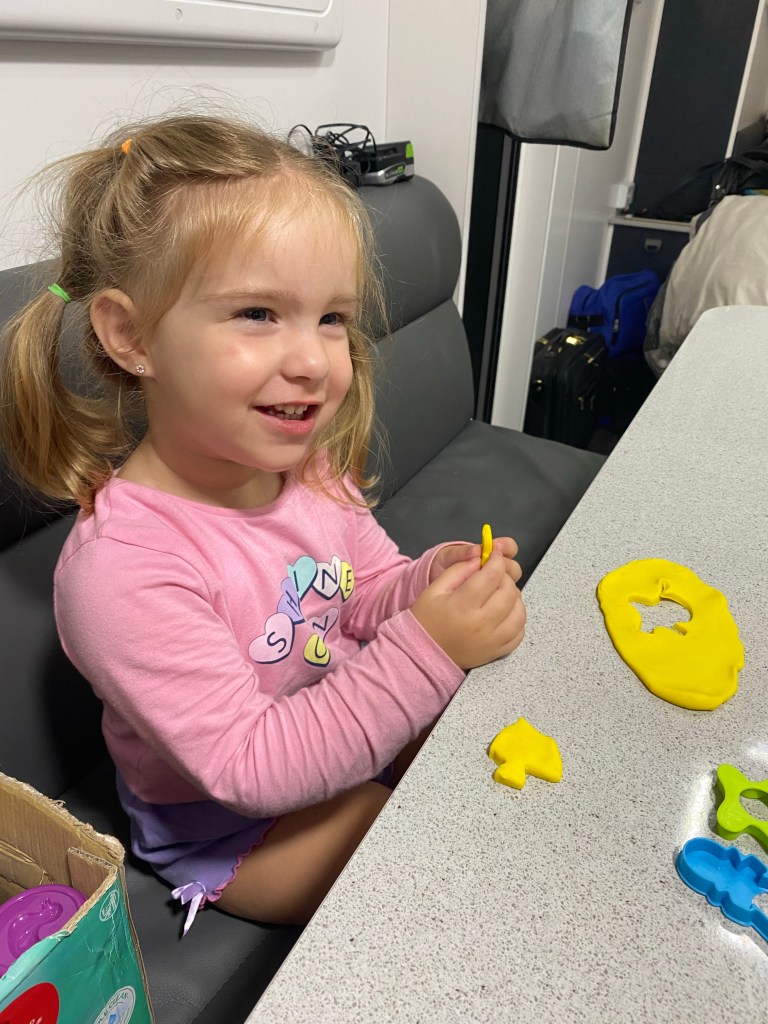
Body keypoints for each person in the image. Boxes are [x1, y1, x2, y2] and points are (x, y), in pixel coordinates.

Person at [0, 114, 526, 929]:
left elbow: (366, 590)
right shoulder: (120, 570)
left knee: (495, 752)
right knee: (435, 860)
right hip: (236, 828)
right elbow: (250, 767)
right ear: (131, 336)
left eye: (332, 318)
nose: (314, 360)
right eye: (257, 313)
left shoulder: (306, 470)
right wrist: (429, 647)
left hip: (347, 724)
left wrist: (433, 585)